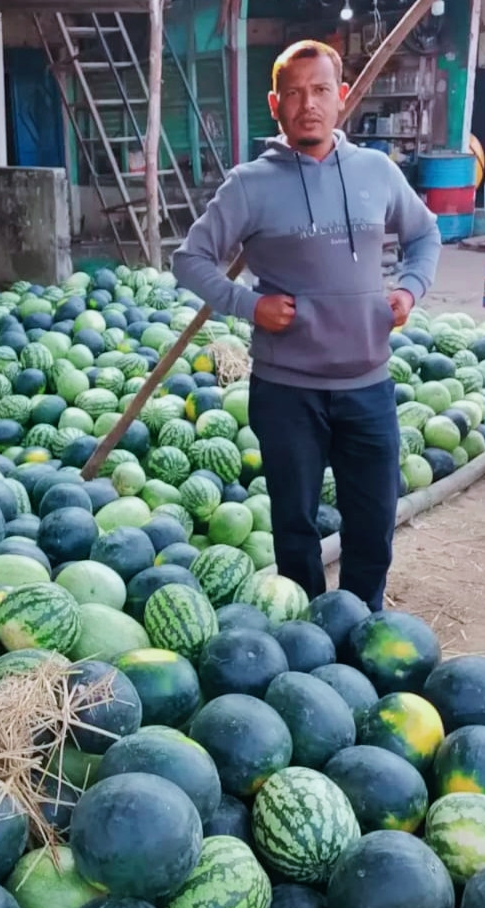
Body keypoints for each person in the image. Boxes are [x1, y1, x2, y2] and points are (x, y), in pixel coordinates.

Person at [172, 40, 441, 612]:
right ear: (275, 105)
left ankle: (361, 619)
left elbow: (425, 234)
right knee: (294, 525)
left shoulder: (376, 171)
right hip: (286, 391)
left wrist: (409, 288)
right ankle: (306, 628)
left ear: (341, 97)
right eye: (293, 94)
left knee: (373, 520)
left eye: (320, 90)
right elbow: (189, 258)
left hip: (367, 385)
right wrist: (248, 305)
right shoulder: (249, 184)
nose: (308, 104)